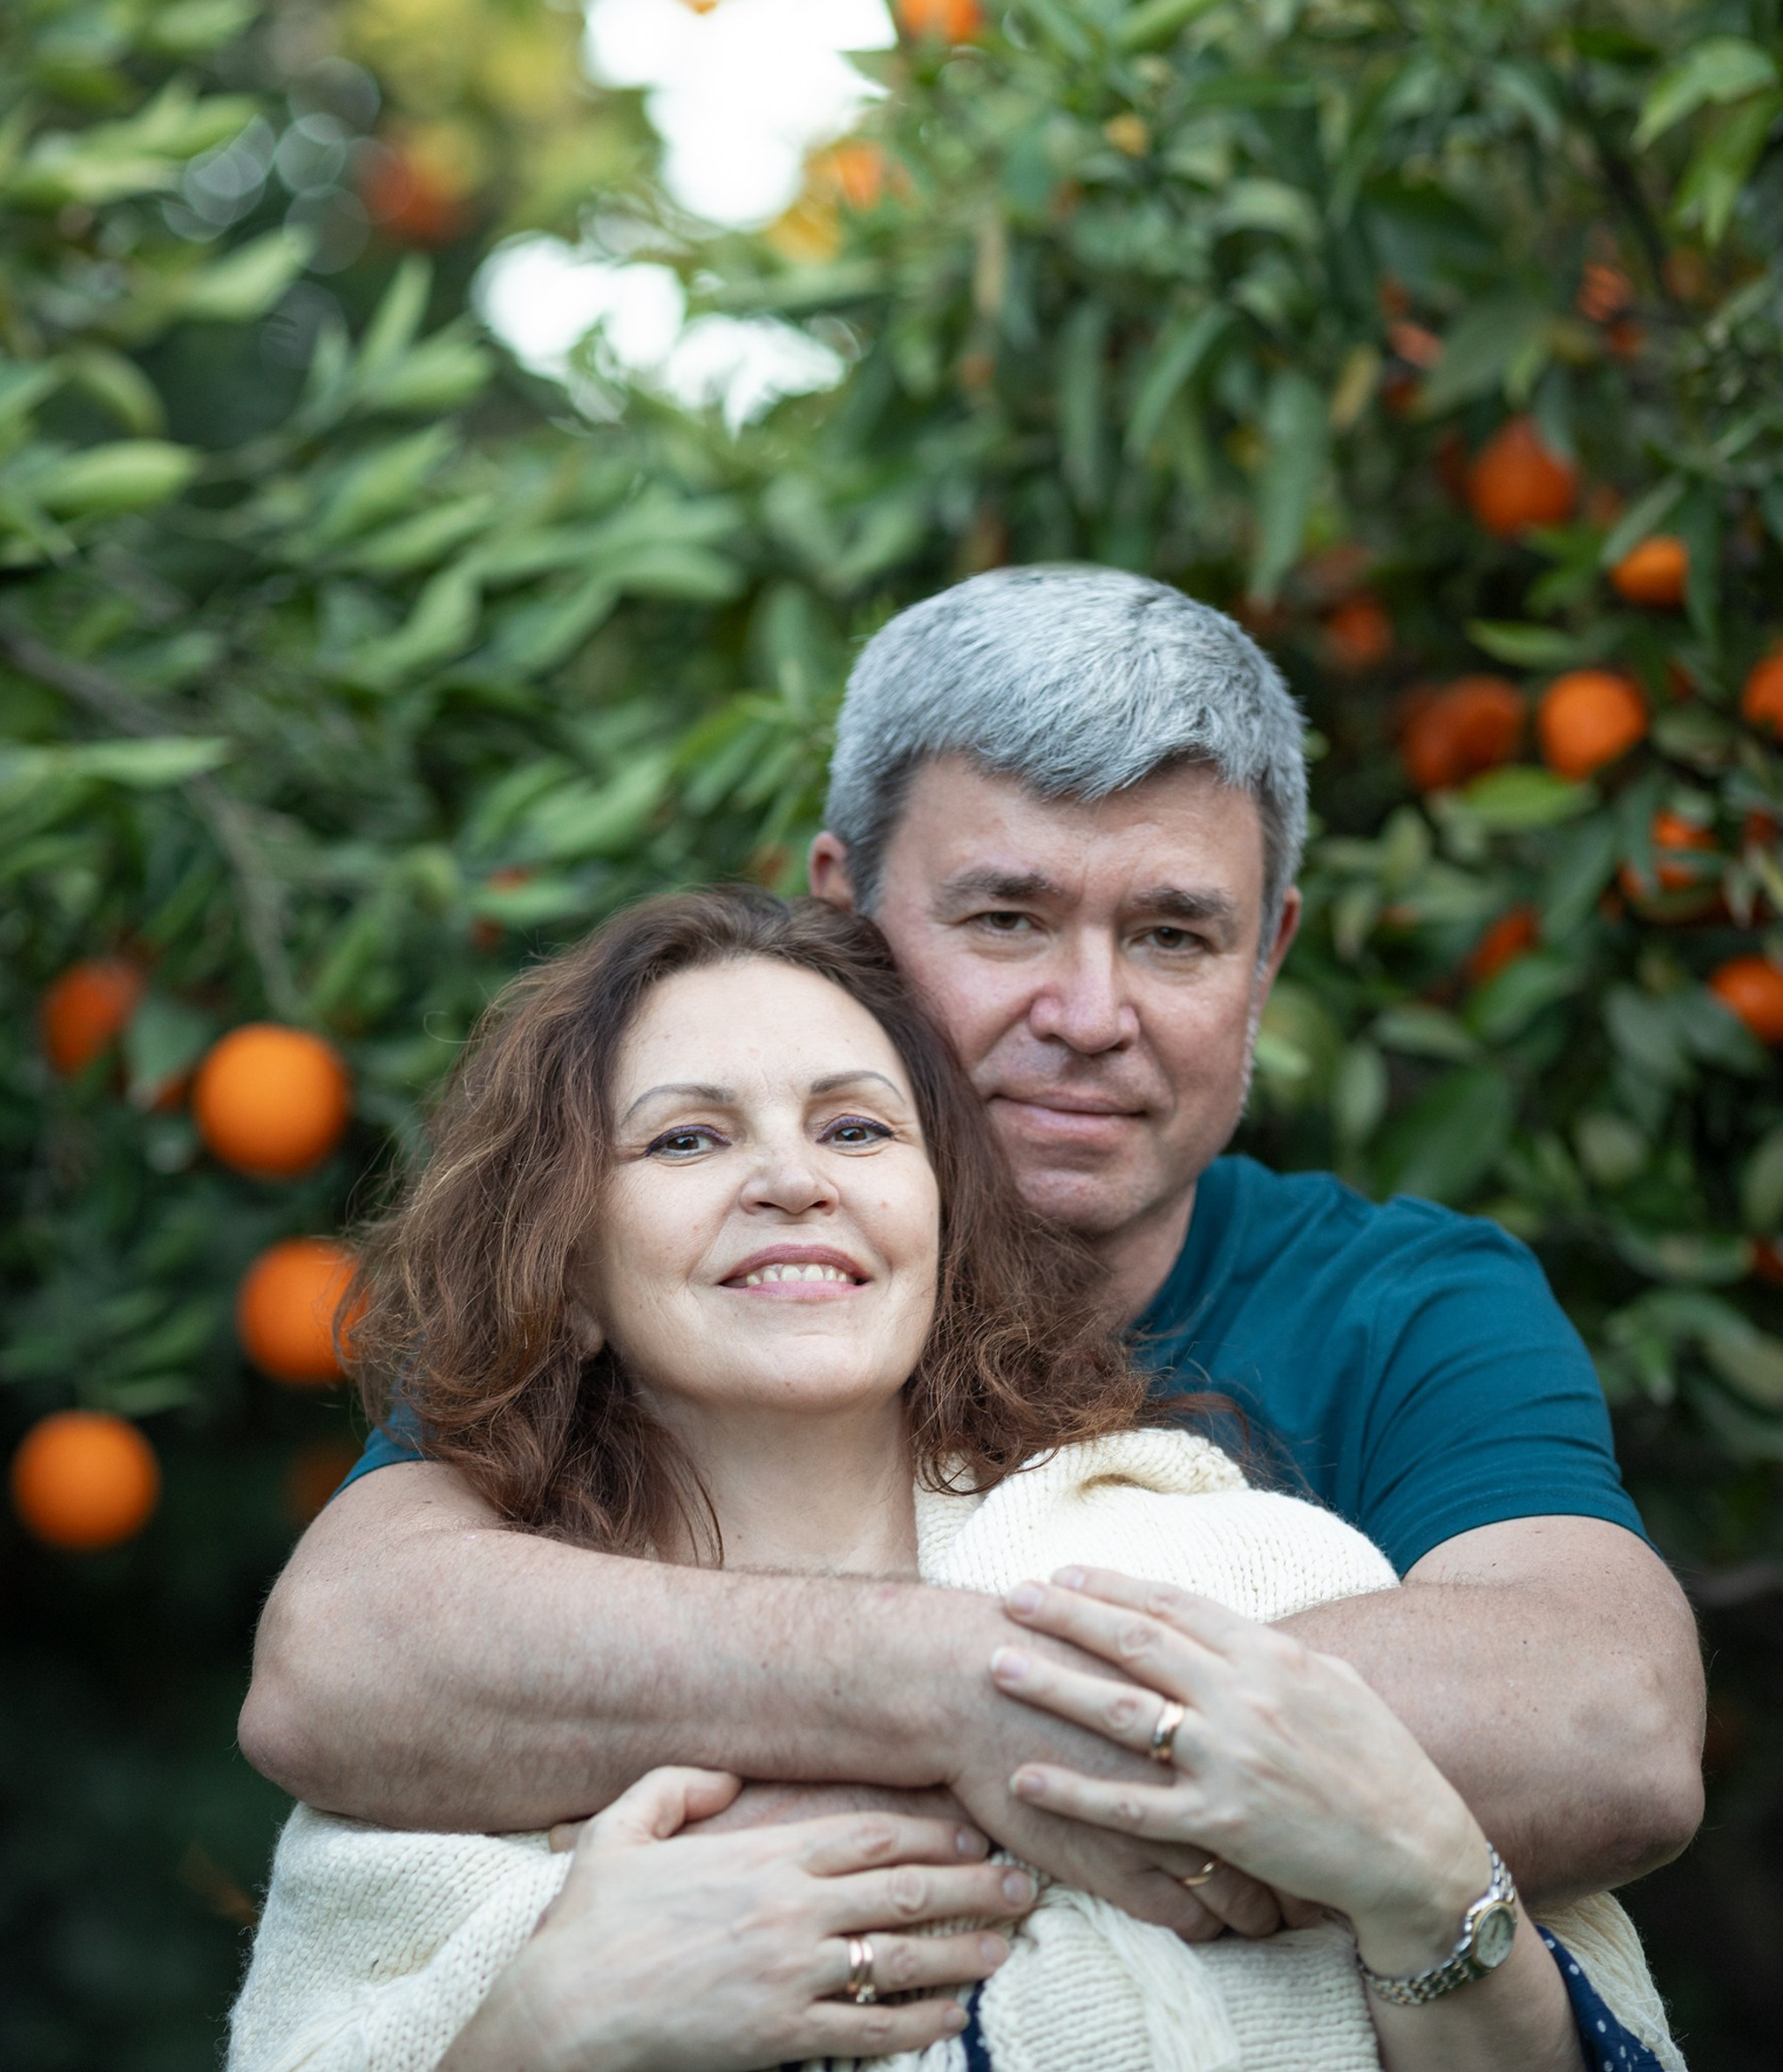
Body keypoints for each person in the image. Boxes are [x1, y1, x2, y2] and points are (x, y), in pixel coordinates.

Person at [240, 567, 1704, 1939]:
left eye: (1176, 938)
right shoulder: (692, 1284)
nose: (1087, 1012)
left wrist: (967, 1728)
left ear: (1269, 956)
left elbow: (1605, 1727)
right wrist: (953, 1702)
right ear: (841, 915)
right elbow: (350, 1660)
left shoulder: (1396, 1305)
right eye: (1008, 918)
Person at [227, 890, 1678, 2072]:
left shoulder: (1242, 1573)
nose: (794, 1180)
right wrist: (542, 2034)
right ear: (572, 1269)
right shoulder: (452, 1734)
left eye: (857, 1128)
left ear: (943, 1228)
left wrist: (1429, 1889)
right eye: (687, 1136)